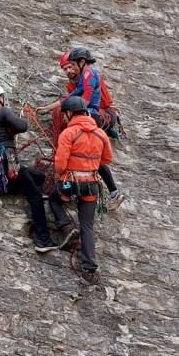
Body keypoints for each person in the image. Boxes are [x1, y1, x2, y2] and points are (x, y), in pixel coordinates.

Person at [0, 82, 65, 254]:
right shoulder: (2, 111)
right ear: (0, 98)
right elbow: (22, 126)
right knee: (36, 196)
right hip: (9, 160)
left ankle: (13, 187)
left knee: (38, 176)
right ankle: (43, 239)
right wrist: (12, 129)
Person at [44, 48, 124, 209]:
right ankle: (111, 192)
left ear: (80, 63)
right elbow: (69, 98)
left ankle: (112, 191)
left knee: (93, 157)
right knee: (90, 156)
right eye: (65, 68)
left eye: (71, 66)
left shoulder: (90, 75)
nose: (69, 70)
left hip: (96, 115)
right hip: (89, 116)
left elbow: (85, 99)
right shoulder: (74, 84)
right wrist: (46, 108)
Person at [48, 95, 114, 283]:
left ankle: (66, 226)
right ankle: (89, 268)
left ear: (69, 113)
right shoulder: (100, 133)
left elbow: (60, 164)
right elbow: (107, 159)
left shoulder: (68, 133)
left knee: (54, 199)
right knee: (87, 226)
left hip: (70, 182)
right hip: (91, 184)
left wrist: (63, 173)